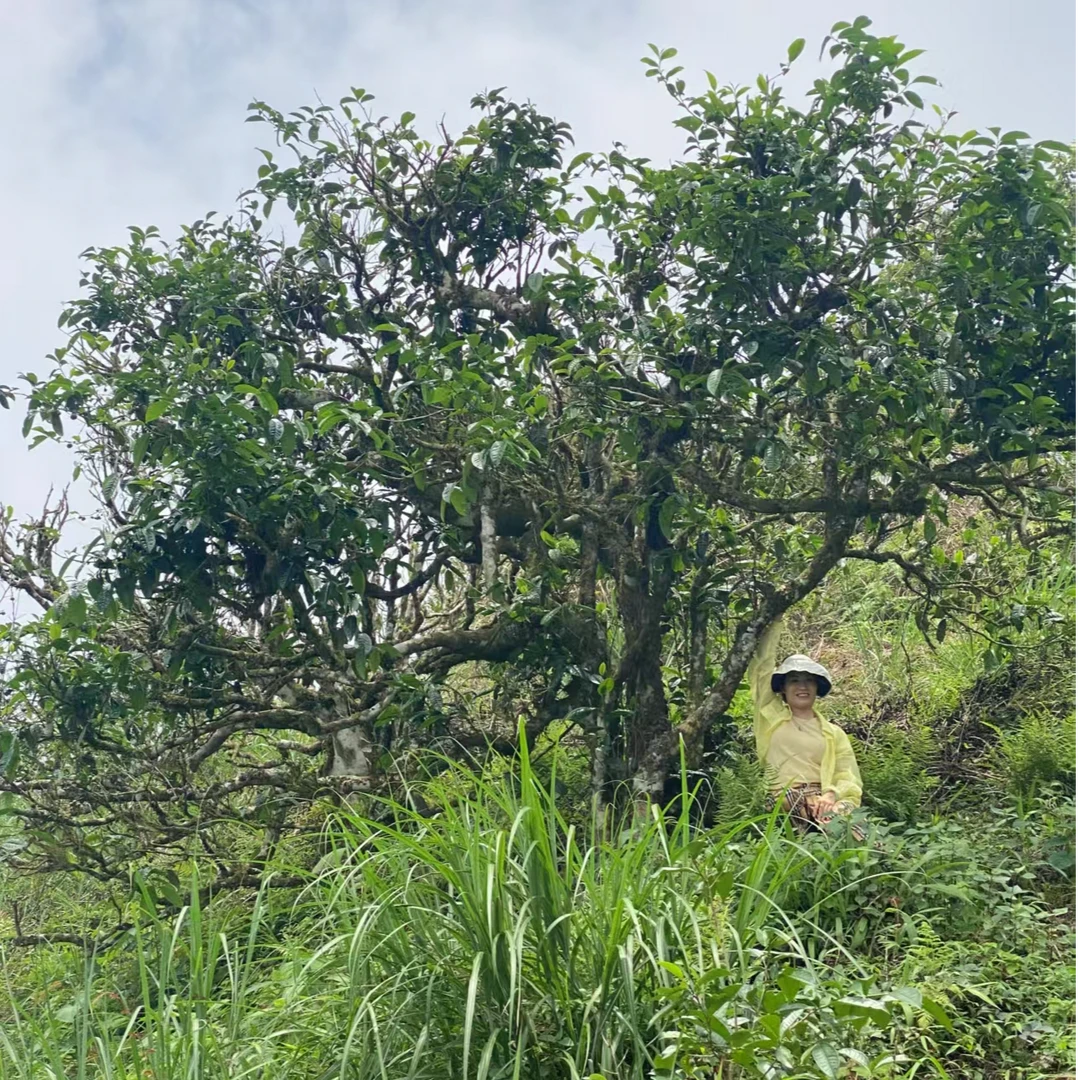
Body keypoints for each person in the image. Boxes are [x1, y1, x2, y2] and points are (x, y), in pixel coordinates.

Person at [747, 619, 863, 836]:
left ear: (816, 687)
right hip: (784, 797)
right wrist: (774, 620)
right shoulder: (772, 717)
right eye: (794, 680)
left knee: (852, 825)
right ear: (783, 688)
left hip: (825, 798)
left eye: (809, 680)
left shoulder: (833, 733)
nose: (802, 686)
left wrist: (831, 796)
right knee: (806, 808)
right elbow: (761, 669)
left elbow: (847, 776)